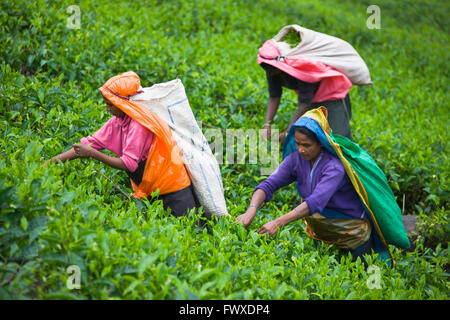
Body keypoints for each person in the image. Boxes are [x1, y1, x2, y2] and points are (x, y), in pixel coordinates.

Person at [237, 107, 410, 268]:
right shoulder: (296, 160)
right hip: (321, 231)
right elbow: (268, 184)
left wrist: (277, 222)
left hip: (351, 232)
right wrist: (251, 209)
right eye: (297, 143)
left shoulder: (334, 167)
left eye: (307, 145)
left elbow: (316, 201)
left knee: (360, 276)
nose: (301, 149)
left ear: (320, 142)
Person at [44, 71, 198, 218]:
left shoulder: (139, 125)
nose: (107, 109)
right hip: (150, 189)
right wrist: (50, 163)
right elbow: (87, 144)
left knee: (191, 231)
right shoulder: (116, 123)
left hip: (174, 189)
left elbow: (128, 164)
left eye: (110, 105)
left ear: (123, 104)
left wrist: (93, 154)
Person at [257, 38, 353, 143]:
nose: (270, 73)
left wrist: (288, 131)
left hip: (333, 93)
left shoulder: (303, 66)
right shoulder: (270, 67)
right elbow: (274, 96)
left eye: (273, 70)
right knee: (311, 137)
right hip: (313, 97)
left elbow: (304, 103)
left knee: (338, 139)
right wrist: (267, 124)